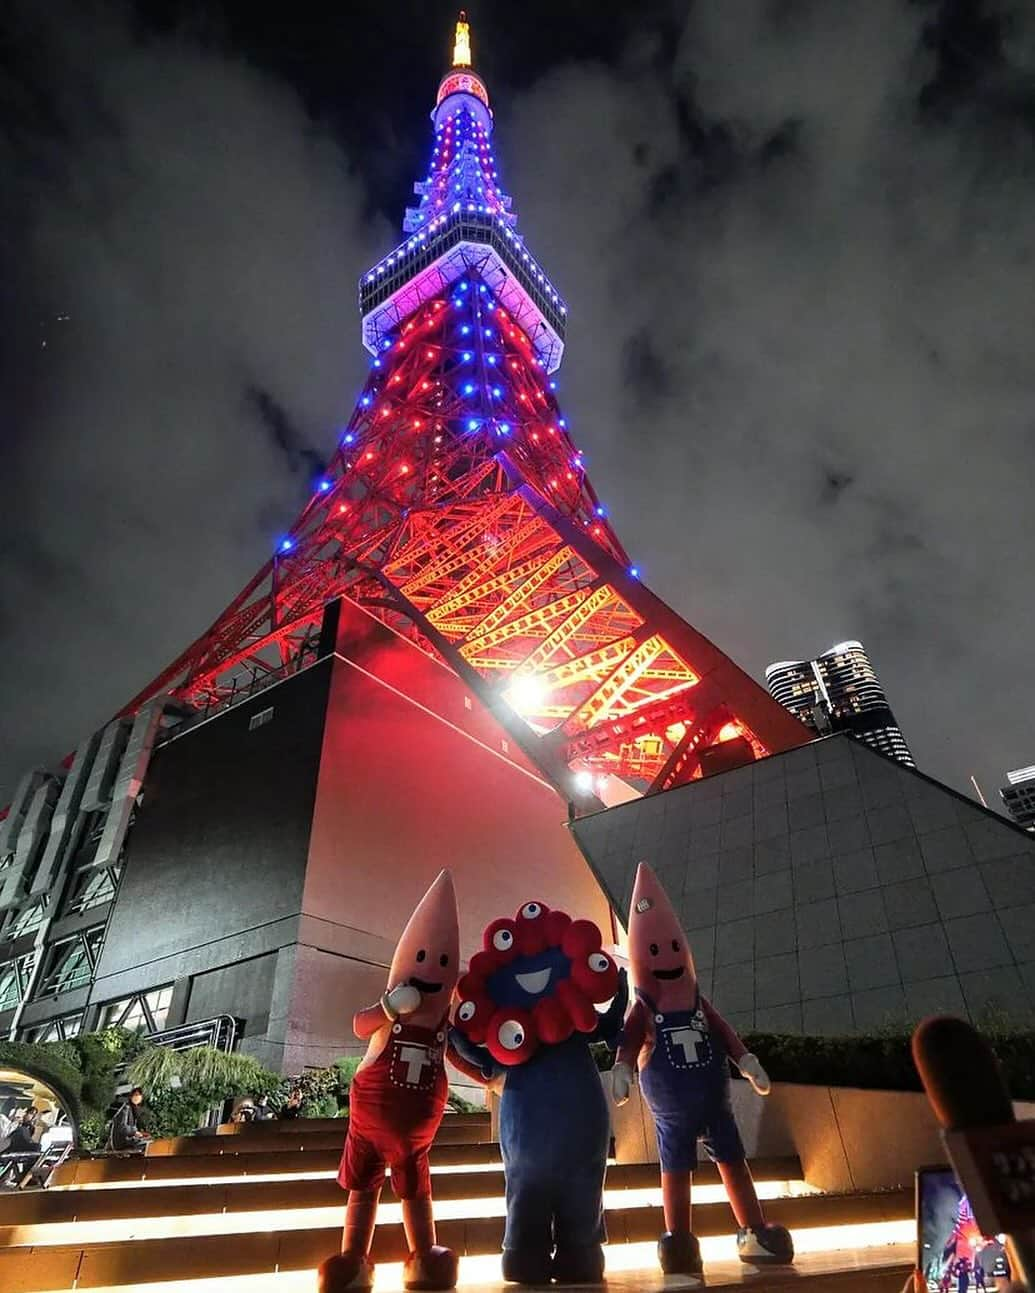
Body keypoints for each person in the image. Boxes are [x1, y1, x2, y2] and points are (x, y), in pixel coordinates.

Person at [106, 1088, 149, 1153]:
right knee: (146, 1145)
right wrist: (134, 1132)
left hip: (127, 1141)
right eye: (135, 1095)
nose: (137, 1097)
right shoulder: (125, 1109)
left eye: (139, 1095)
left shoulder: (134, 1110)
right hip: (120, 1143)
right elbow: (122, 1127)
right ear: (131, 1097)